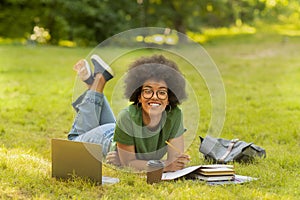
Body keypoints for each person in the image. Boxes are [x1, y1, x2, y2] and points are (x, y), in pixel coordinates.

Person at [68, 54, 190, 172]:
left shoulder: (175, 115)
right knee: (72, 143)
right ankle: (99, 80)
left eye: (162, 92)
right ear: (139, 96)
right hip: (104, 137)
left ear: (169, 99)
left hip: (120, 131)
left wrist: (176, 162)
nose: (155, 97)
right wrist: (166, 166)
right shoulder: (127, 116)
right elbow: (130, 163)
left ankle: (92, 84)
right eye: (147, 91)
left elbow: (175, 161)